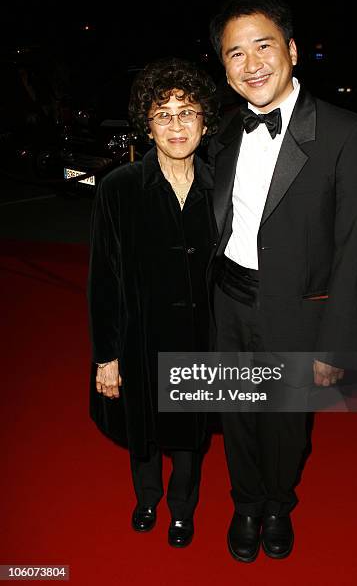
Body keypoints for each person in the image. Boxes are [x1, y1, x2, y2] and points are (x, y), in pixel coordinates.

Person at [208, 0, 357, 562]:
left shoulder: (344, 132)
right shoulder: (225, 132)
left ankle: (278, 504)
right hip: (227, 301)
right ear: (225, 66)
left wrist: (337, 347)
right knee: (236, 415)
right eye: (236, 53)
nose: (252, 63)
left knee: (284, 423)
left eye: (264, 46)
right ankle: (245, 502)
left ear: (293, 50)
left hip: (296, 310)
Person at [88, 58, 218, 548]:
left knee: (189, 435)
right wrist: (107, 354)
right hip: (139, 335)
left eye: (187, 112)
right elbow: (104, 277)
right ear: (147, 125)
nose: (177, 125)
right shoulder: (118, 188)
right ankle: (147, 498)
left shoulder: (222, 188)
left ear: (205, 121)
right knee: (142, 429)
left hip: (201, 341)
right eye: (163, 114)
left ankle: (182, 509)